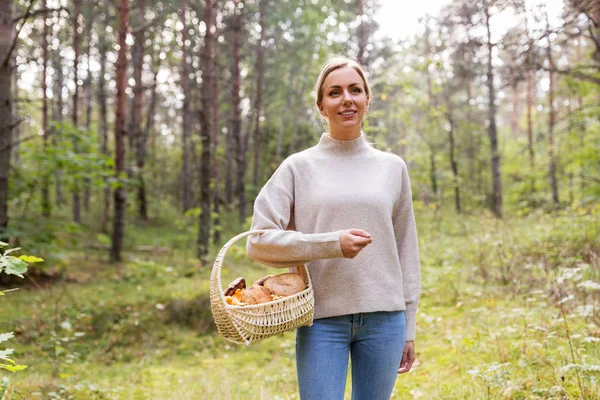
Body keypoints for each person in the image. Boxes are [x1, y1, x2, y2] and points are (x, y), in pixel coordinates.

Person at [246, 55, 421, 400]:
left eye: (355, 90)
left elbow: (406, 248)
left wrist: (409, 326)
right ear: (321, 105)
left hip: (385, 320)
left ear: (367, 100)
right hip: (321, 321)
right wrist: (330, 243)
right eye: (335, 92)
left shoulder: (392, 168)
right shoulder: (297, 168)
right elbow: (259, 242)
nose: (346, 99)